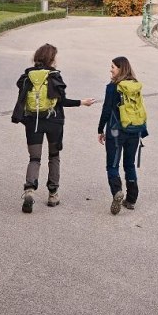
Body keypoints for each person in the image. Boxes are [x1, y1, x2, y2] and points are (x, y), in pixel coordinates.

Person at [11, 43, 95, 213]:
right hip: (54, 121)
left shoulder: (27, 77)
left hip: (32, 121)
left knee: (34, 158)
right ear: (51, 59)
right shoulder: (54, 77)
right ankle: (53, 194)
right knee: (54, 156)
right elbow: (61, 101)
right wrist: (81, 102)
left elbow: (22, 97)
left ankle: (29, 190)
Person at [98, 56, 148, 215]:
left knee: (112, 165)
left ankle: (117, 191)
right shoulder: (135, 86)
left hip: (115, 131)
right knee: (129, 164)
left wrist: (100, 129)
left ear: (120, 69)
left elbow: (106, 110)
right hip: (134, 130)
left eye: (113, 67)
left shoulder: (113, 87)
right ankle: (132, 199)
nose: (110, 70)